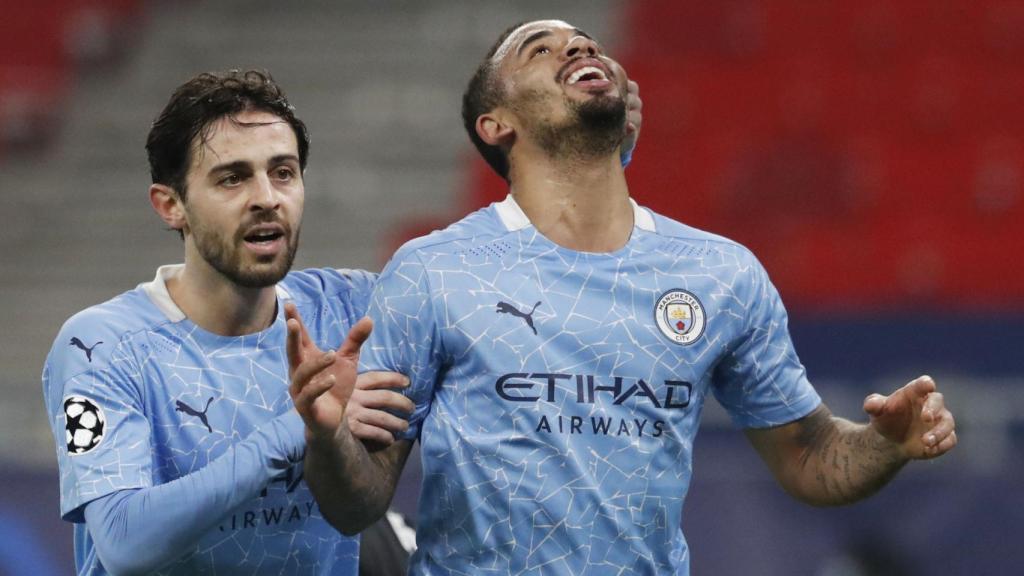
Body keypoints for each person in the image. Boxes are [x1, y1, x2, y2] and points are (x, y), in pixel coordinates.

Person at [287, 18, 960, 576]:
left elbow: (810, 457)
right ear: (495, 125)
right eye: (539, 49)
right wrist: (326, 436)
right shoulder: (433, 271)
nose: (578, 46)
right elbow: (356, 502)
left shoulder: (719, 273)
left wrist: (884, 445)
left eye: (585, 41)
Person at [41, 69, 415, 575]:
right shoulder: (103, 346)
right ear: (171, 205)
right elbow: (124, 541)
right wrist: (295, 430)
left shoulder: (352, 309)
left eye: (283, 173)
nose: (267, 198)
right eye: (232, 178)